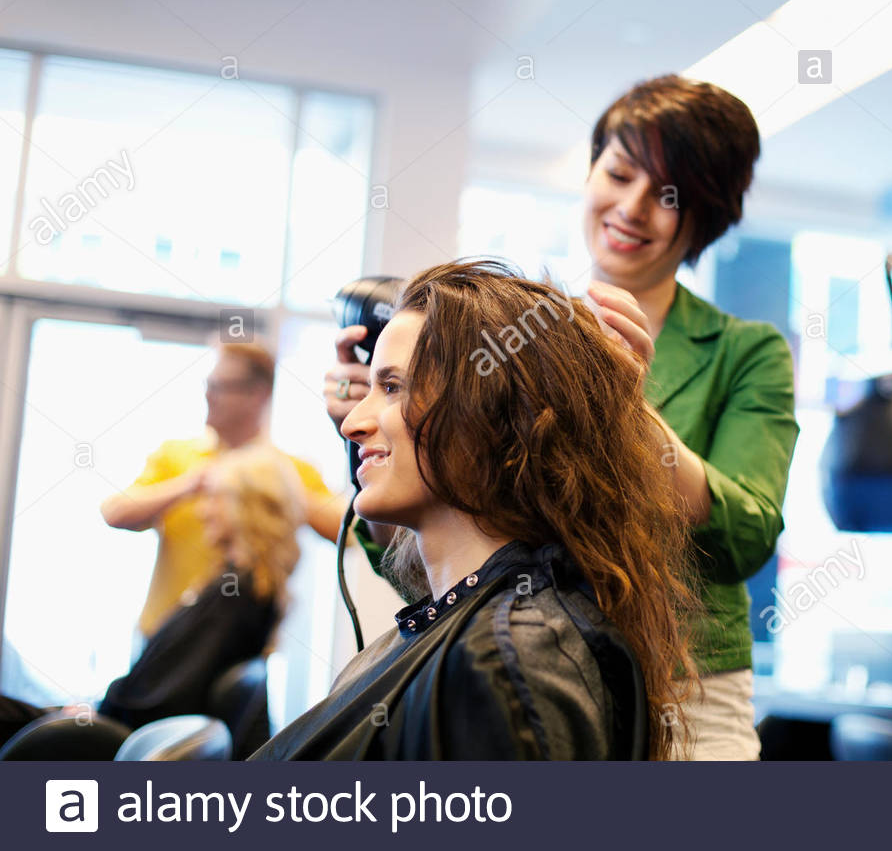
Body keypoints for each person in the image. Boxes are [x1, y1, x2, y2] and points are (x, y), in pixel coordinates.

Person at [326, 77, 798, 760]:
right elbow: (423, 559)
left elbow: (748, 533)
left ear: (706, 219)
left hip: (690, 684)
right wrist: (375, 417)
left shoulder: (744, 353)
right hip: (534, 655)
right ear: (591, 169)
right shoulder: (519, 335)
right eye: (620, 172)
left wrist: (626, 413)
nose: (634, 208)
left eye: (670, 195)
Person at [256, 261, 697, 760]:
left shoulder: (513, 657)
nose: (351, 422)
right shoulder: (480, 632)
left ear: (490, 412)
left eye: (393, 387)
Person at [1, 446, 303, 756]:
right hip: (114, 722)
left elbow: (168, 700)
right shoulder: (245, 588)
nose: (202, 511)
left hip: (114, 735)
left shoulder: (236, 593)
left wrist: (97, 713)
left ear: (245, 506)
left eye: (213, 498)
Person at [101, 342, 345, 640]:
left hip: (238, 646)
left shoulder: (288, 469)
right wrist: (189, 484)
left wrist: (279, 488)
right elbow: (115, 512)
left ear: (257, 394)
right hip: (164, 638)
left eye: (220, 386)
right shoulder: (177, 457)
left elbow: (350, 533)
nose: (207, 395)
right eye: (208, 384)